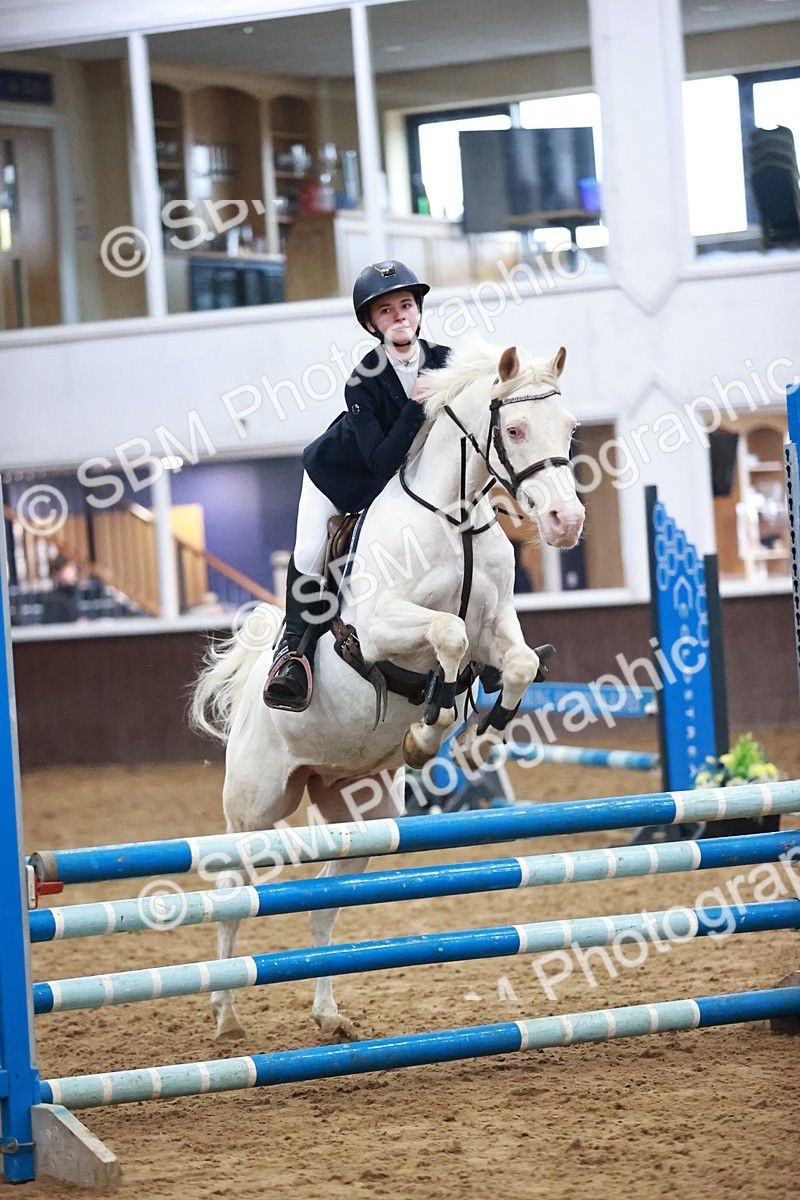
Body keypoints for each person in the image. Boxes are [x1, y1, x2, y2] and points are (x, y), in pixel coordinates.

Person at [264, 259, 450, 712]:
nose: (400, 316)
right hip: (342, 478)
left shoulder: (448, 361)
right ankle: (292, 653)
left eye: (406, 305)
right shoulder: (362, 380)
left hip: (405, 487)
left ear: (419, 312)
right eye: (386, 311)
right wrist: (414, 404)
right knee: (310, 553)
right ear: (371, 323)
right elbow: (381, 461)